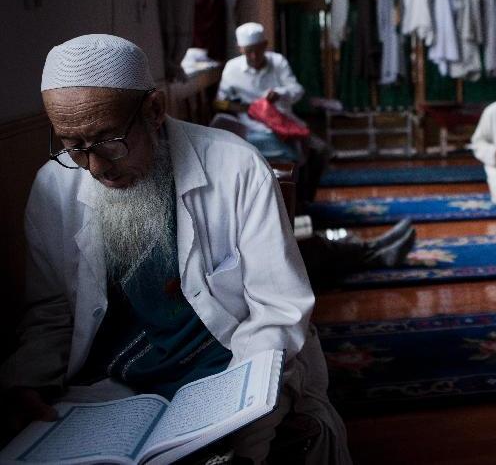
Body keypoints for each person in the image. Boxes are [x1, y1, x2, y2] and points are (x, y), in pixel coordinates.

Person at [0, 34, 351, 464]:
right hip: (112, 381)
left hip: (229, 369)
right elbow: (53, 310)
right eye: (73, 146)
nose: (94, 168)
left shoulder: (235, 167)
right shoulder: (54, 187)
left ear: (154, 110)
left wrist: (241, 414)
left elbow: (277, 310)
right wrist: (27, 382)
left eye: (109, 141)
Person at [217, 22, 331, 204]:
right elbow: (221, 102)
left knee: (321, 151)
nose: (254, 56)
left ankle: (303, 203)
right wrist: (249, 108)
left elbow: (297, 90)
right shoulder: (232, 69)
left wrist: (279, 93)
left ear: (265, 45)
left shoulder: (278, 62)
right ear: (240, 49)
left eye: (257, 50)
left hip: (285, 125)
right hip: (250, 129)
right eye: (248, 52)